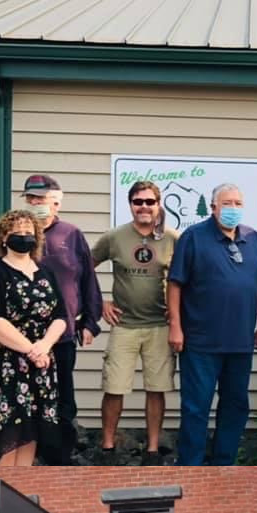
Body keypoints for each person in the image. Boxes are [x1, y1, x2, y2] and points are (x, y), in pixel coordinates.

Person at [168, 183, 257, 465]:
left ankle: (224, 463)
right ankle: (190, 465)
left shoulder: (253, 239)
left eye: (238, 203)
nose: (233, 209)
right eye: (227, 203)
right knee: (196, 407)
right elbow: (175, 283)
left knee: (236, 405)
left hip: (240, 342)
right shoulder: (193, 237)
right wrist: (175, 326)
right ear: (214, 207)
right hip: (200, 342)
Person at [0, 210, 66, 467]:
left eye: (28, 233)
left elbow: (61, 316)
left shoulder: (46, 271)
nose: (23, 237)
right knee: (6, 436)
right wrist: (31, 350)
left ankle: (21, 488)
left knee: (32, 432)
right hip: (4, 365)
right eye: (17, 233)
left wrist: (44, 346)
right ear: (3, 237)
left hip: (40, 363)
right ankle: (0, 492)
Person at [90, 181, 179, 461]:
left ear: (158, 204)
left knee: (156, 388)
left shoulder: (172, 238)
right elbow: (84, 268)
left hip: (159, 325)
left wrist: (177, 313)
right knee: (114, 388)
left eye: (150, 202)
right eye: (138, 201)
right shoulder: (114, 238)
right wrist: (99, 302)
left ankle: (152, 448)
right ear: (130, 204)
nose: (144, 207)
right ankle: (107, 446)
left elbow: (187, 279)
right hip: (124, 326)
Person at [23, 175, 103, 462]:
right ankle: (29, 455)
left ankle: (60, 457)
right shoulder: (15, 233)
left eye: (41, 199)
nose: (35, 204)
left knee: (63, 399)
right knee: (28, 397)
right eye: (31, 198)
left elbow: (88, 281)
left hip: (64, 334)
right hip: (23, 336)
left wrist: (90, 322)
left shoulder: (71, 235)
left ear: (56, 202)